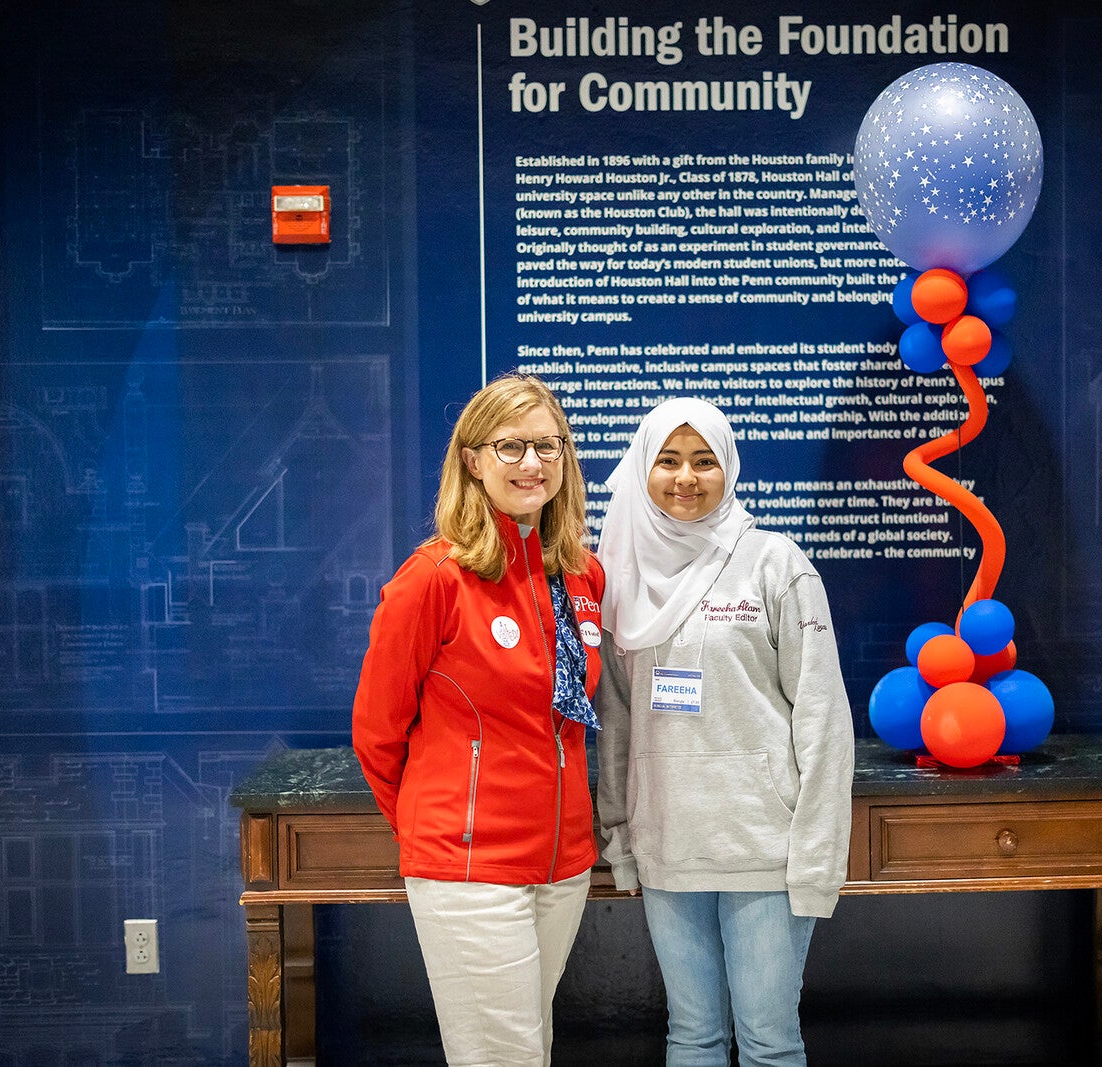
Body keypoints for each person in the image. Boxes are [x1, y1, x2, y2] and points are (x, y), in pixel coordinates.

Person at [352, 373, 604, 1067]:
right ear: (473, 459)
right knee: (503, 1058)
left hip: (564, 865)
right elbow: (377, 730)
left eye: (548, 445)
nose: (533, 463)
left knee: (530, 1046)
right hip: (471, 868)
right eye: (512, 445)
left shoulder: (582, 575)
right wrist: (438, 830)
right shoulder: (433, 578)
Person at [595, 396, 854, 1067]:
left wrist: (818, 854)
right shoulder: (621, 577)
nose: (686, 477)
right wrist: (621, 836)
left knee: (769, 1042)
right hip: (666, 844)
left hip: (763, 848)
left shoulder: (776, 562)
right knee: (693, 1036)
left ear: (728, 468)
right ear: (642, 470)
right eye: (669, 460)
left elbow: (823, 715)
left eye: (704, 460)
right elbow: (615, 721)